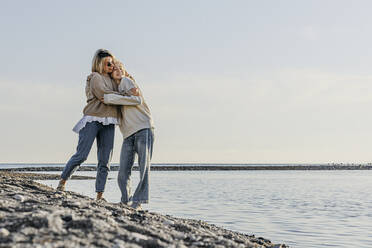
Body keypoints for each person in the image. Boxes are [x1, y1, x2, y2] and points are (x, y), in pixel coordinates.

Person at [56, 49, 139, 201]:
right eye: (108, 63)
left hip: (109, 121)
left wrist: (124, 73)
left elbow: (130, 86)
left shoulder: (115, 79)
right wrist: (124, 96)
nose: (111, 65)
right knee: (81, 155)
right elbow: (103, 95)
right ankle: (62, 182)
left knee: (105, 160)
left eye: (113, 63)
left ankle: (99, 196)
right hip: (92, 119)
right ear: (99, 63)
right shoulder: (95, 77)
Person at [103, 60, 154, 210]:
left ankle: (138, 201)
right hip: (128, 134)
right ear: (111, 74)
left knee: (143, 168)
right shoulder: (117, 89)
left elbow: (137, 98)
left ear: (125, 72)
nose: (118, 70)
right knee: (123, 172)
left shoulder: (126, 81)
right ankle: (126, 201)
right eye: (115, 69)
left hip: (143, 127)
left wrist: (110, 98)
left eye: (121, 69)